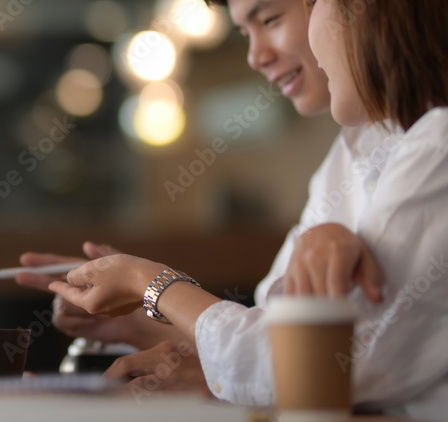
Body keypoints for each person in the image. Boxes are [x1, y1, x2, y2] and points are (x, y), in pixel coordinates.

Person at [22, 0, 448, 418]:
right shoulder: (359, 147)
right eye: (245, 32)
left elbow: (294, 364)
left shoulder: (437, 145)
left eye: (271, 19)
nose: (255, 56)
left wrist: (146, 282)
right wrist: (143, 318)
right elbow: (274, 327)